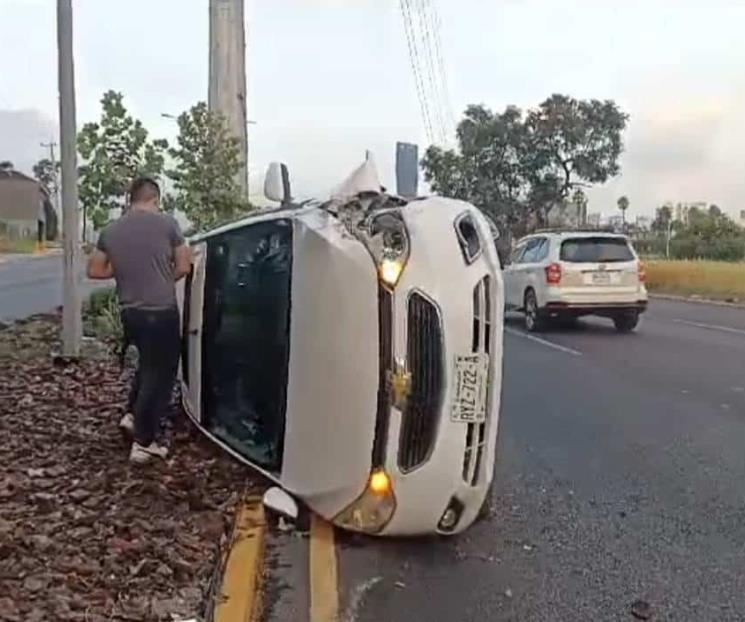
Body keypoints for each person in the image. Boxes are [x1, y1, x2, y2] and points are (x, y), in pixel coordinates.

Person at [87, 177, 192, 464]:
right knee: (161, 376)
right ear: (155, 199)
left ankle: (132, 416)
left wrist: (125, 273)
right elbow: (184, 265)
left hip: (130, 312)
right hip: (161, 311)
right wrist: (159, 278)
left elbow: (95, 270)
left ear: (130, 199)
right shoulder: (168, 224)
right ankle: (144, 442)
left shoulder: (110, 230)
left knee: (148, 365)